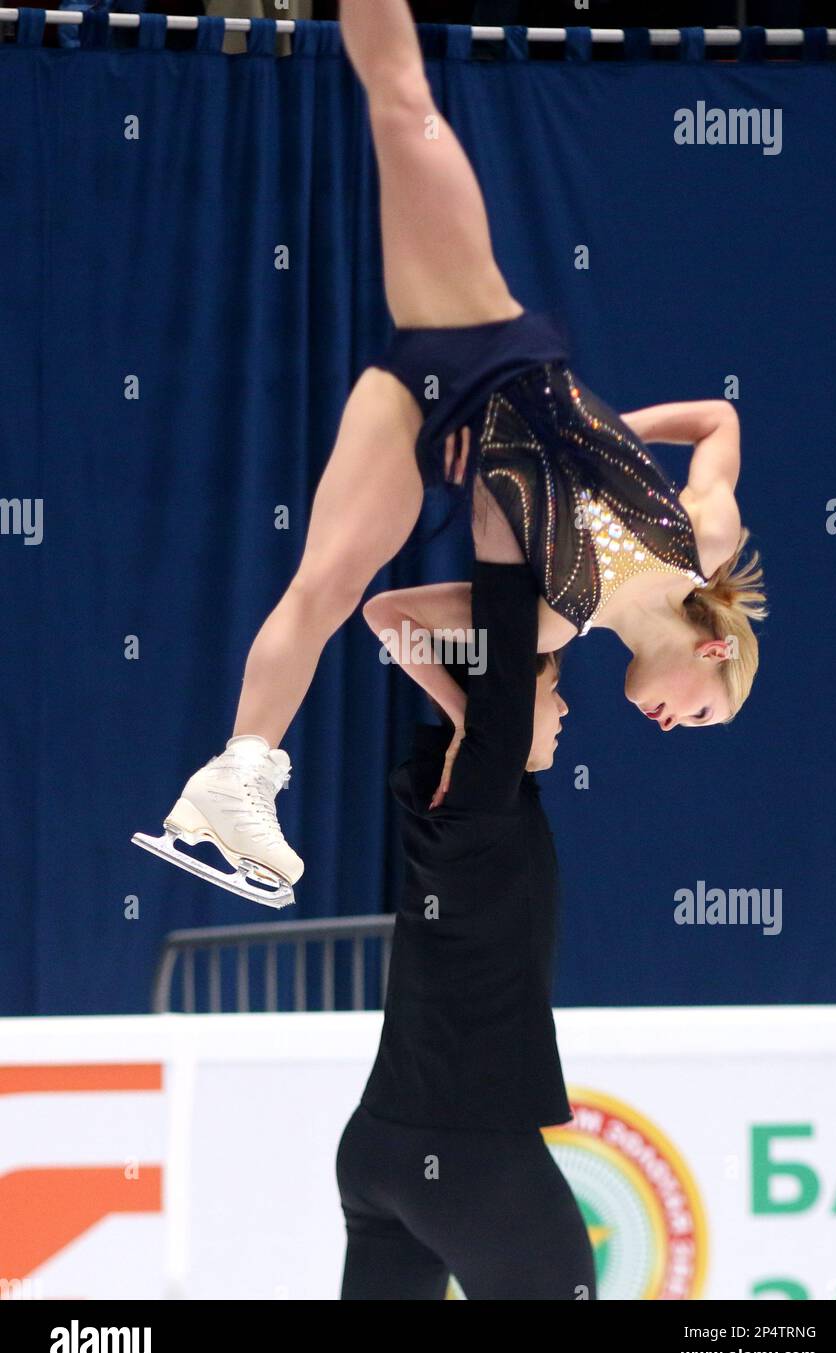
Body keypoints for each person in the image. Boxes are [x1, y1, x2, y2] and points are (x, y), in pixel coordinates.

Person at [132, 0, 766, 905]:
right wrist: (611, 428)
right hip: (486, 345)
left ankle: (237, 769)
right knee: (400, 96)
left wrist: (472, 716)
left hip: (430, 421)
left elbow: (391, 616)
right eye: (702, 714)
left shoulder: (552, 624)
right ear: (713, 657)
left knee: (327, 588)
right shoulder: (700, 539)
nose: (673, 727)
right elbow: (719, 422)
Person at [336, 548, 596, 1300]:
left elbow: (398, 625)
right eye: (553, 690)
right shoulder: (480, 793)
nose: (566, 708)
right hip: (471, 1158)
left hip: (379, 1148)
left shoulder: (447, 796)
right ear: (510, 708)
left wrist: (462, 707)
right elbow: (463, 631)